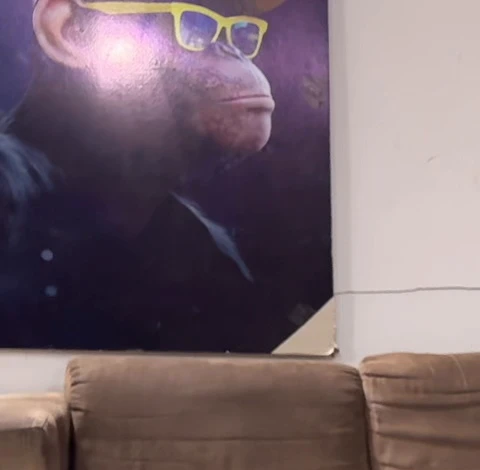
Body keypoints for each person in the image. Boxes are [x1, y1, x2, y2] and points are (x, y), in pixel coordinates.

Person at [1, 0, 295, 352]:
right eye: (196, 25)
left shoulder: (195, 244)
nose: (234, 55)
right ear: (71, 32)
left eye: (239, 31)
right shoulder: (11, 190)